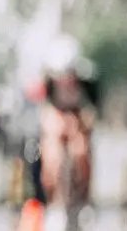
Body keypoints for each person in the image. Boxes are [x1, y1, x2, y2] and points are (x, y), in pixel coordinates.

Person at [38, 34, 99, 215]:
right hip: (57, 117)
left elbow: (92, 110)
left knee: (80, 151)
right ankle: (54, 198)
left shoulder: (87, 82)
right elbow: (45, 110)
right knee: (52, 156)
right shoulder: (48, 82)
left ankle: (84, 196)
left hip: (77, 117)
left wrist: (81, 124)